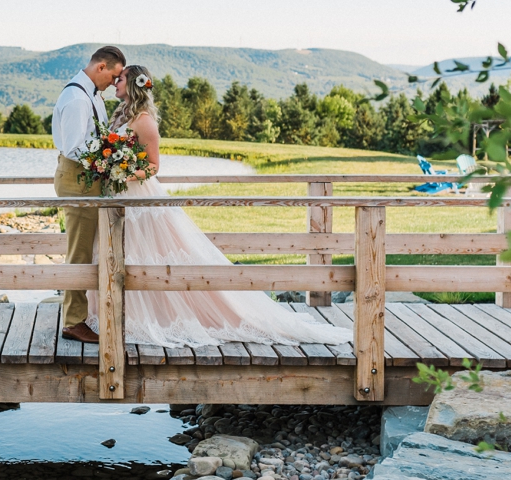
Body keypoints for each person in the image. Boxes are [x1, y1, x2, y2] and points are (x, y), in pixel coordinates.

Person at [84, 64, 352, 347]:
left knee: (144, 254)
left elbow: (152, 166)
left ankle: (156, 316)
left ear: (135, 84)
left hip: (137, 195)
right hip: (118, 195)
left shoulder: (145, 121)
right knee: (119, 252)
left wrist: (121, 172)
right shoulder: (121, 114)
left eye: (121, 79)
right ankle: (119, 311)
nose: (115, 82)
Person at [52, 45, 125, 342]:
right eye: (115, 76)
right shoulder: (76, 99)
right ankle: (73, 321)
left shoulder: (91, 95)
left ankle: (81, 313)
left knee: (87, 249)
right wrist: (108, 161)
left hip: (87, 177)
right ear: (101, 68)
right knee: (79, 252)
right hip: (77, 178)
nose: (114, 83)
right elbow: (73, 147)